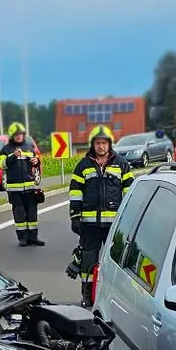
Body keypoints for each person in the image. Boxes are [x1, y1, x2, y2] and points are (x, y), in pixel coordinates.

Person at [68, 125, 134, 306]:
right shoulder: (83, 165)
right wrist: (75, 216)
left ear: (109, 144)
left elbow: (129, 193)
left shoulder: (122, 164)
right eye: (98, 143)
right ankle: (87, 296)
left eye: (104, 143)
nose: (101, 146)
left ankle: (121, 298)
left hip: (115, 225)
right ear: (93, 144)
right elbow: (75, 192)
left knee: (119, 261)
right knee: (88, 260)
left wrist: (129, 219)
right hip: (89, 224)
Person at [0, 122, 44, 247]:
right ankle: (23, 238)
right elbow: (1, 164)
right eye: (16, 135)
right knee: (20, 215)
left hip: (29, 187)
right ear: (12, 136)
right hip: (14, 189)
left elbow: (36, 161)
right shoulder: (6, 149)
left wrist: (36, 161)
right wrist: (12, 156)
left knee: (32, 214)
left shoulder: (29, 146)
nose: (19, 136)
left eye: (21, 134)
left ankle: (33, 238)